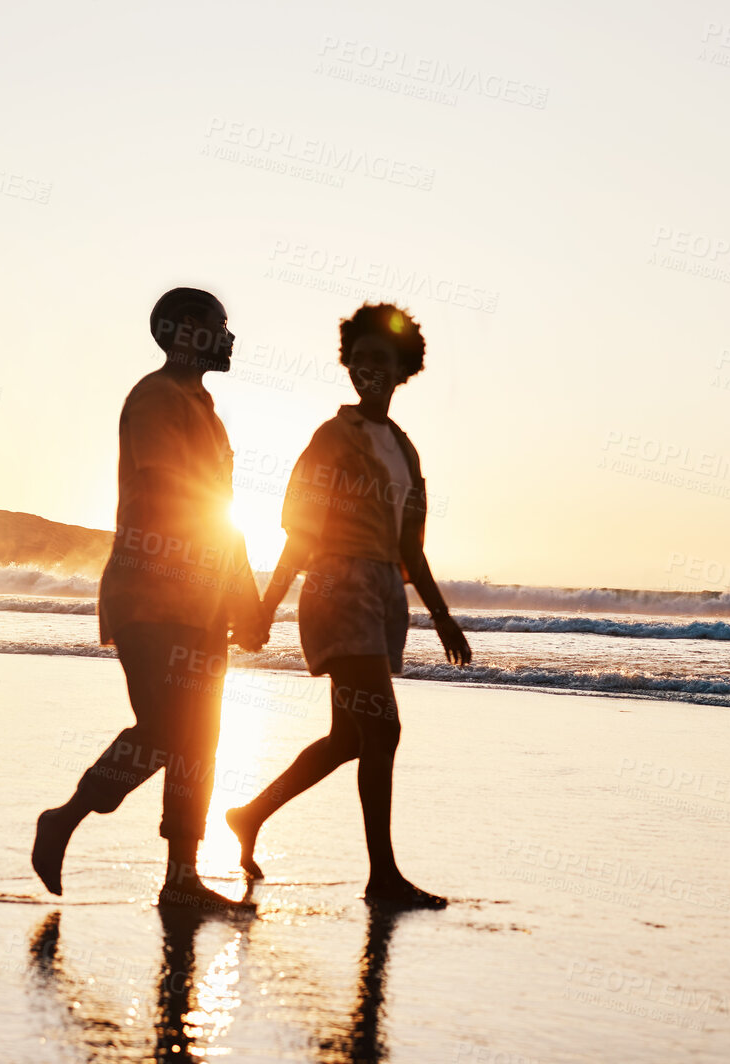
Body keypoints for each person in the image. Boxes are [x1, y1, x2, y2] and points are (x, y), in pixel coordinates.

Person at [226, 303, 470, 907]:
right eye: (358, 360)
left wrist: (442, 616)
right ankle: (382, 877)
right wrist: (266, 606)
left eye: (379, 361)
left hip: (384, 593)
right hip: (339, 591)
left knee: (349, 737)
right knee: (383, 730)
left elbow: (410, 547)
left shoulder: (404, 450)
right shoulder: (332, 438)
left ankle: (249, 814)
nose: (368, 371)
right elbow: (301, 533)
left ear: (402, 369)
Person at [32, 287, 263, 911]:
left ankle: (181, 878)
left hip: (201, 601)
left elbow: (223, 511)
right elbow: (174, 492)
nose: (229, 336)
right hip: (150, 596)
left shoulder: (206, 411)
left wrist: (242, 594)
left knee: (198, 740)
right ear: (186, 330)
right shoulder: (156, 399)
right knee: (166, 730)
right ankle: (67, 816)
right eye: (219, 325)